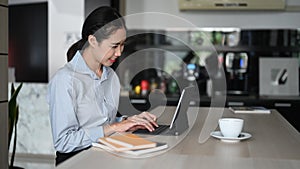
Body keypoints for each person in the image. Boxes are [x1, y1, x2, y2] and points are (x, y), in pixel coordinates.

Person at [47, 6, 158, 165]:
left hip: (106, 156)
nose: (119, 53)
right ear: (92, 41)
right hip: (77, 161)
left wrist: (128, 121)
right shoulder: (65, 80)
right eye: (114, 46)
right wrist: (114, 127)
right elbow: (63, 142)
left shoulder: (110, 75)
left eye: (122, 45)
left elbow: (103, 122)